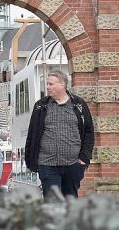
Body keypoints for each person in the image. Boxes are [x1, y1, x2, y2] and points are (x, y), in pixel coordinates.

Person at [24, 70, 95, 198]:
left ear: (62, 85)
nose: (47, 87)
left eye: (51, 84)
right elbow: (32, 134)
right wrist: (30, 161)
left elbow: (89, 132)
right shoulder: (40, 106)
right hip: (47, 164)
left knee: (70, 201)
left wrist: (84, 158)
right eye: (47, 84)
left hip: (73, 165)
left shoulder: (78, 104)